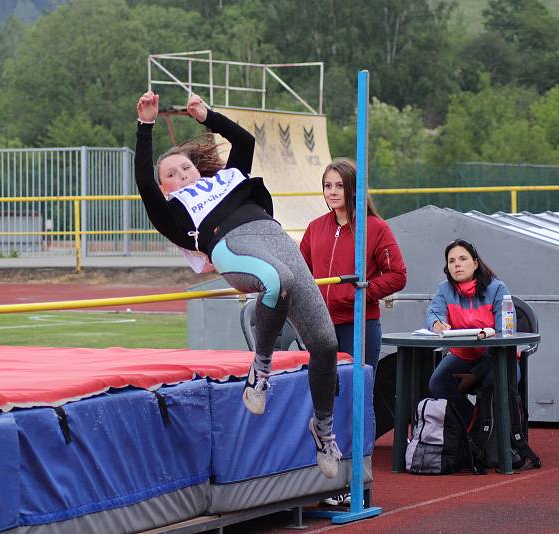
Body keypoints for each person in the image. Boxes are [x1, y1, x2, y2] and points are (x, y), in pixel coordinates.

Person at [135, 91, 342, 477]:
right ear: (166, 188)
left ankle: (324, 431)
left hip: (275, 237)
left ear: (197, 169)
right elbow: (145, 185)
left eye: (185, 169)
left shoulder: (229, 178)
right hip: (230, 243)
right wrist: (145, 127)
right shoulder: (173, 213)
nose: (181, 176)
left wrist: (206, 115)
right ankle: (259, 372)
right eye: (172, 175)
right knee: (274, 281)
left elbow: (245, 141)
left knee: (325, 342)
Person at [300, 158, 407, 372]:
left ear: (355, 189)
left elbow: (397, 275)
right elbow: (301, 272)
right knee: (325, 397)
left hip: (359, 324)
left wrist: (365, 291)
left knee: (359, 395)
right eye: (327, 186)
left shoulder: (376, 228)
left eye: (340, 186)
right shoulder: (315, 227)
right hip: (321, 326)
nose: (332, 192)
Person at [426, 238, 513, 424]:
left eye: (463, 259)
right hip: (462, 355)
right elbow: (433, 313)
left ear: (475, 263)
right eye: (451, 261)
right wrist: (436, 324)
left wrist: (476, 375)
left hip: (495, 357)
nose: (457, 264)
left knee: (495, 381)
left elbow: (504, 334)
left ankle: (495, 435)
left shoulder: (498, 288)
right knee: (437, 383)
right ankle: (473, 426)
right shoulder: (443, 289)